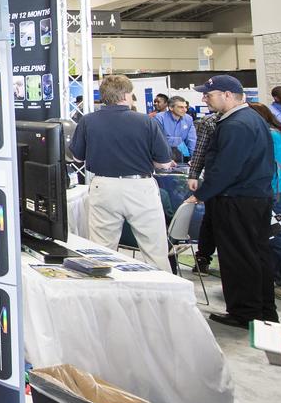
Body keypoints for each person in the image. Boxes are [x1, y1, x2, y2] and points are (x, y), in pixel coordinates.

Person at [187, 75, 279, 327]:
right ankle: (263, 311)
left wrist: (201, 193)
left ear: (227, 95)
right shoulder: (251, 119)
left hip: (237, 200)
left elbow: (227, 169)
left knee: (238, 257)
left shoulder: (236, 125)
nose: (205, 99)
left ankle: (245, 312)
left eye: (209, 94)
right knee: (256, 254)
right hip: (254, 197)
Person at [69, 73, 174, 271]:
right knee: (154, 250)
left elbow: (77, 159)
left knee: (101, 251)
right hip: (140, 186)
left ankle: (104, 298)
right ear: (126, 95)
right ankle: (162, 299)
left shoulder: (88, 121)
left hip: (104, 186)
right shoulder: (146, 122)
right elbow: (163, 163)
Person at [186, 109, 222, 273]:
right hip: (215, 180)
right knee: (210, 221)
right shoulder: (209, 122)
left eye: (208, 95)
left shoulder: (246, 119)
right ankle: (203, 258)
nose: (204, 99)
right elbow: (200, 149)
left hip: (238, 186)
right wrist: (193, 174)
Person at [155, 95, 197, 164]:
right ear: (171, 107)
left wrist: (193, 159)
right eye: (181, 107)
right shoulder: (160, 118)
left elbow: (192, 140)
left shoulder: (188, 119)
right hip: (164, 152)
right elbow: (157, 140)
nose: (185, 110)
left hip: (182, 151)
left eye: (185, 107)